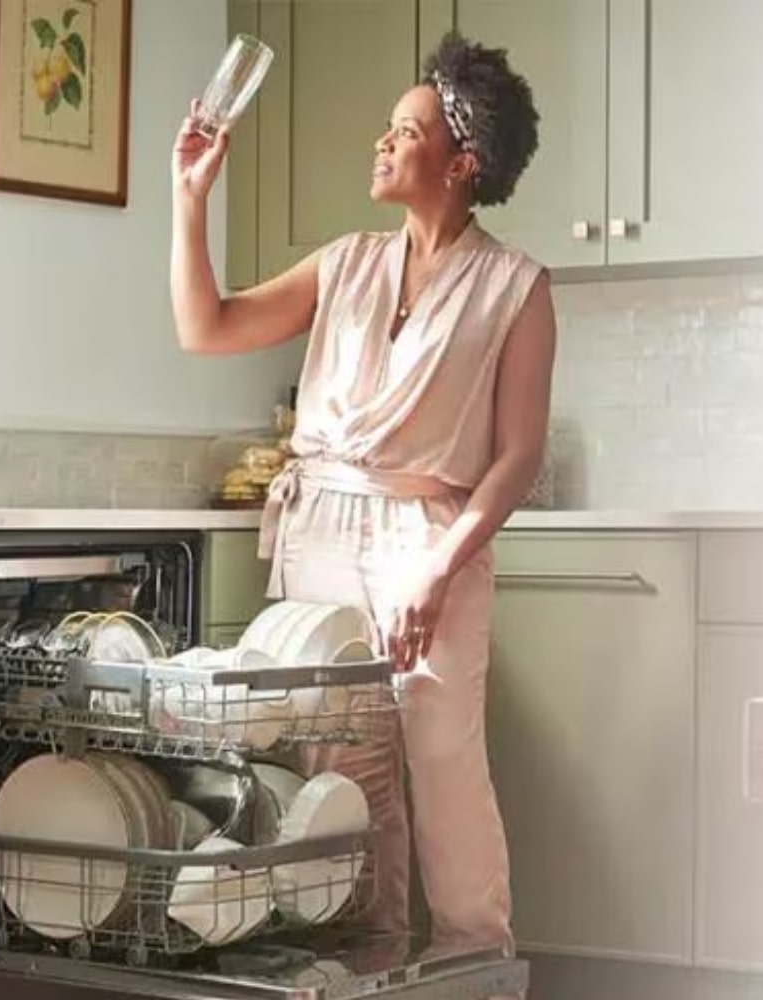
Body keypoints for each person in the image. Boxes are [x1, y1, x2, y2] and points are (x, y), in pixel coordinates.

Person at [169, 31, 556, 957]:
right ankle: (358, 956)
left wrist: (435, 570)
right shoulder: (342, 262)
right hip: (319, 527)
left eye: (405, 130)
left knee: (445, 757)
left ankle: (475, 962)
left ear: (463, 162)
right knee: (335, 761)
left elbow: (516, 459)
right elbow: (206, 327)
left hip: (429, 534)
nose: (380, 143)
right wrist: (189, 202)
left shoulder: (516, 288)